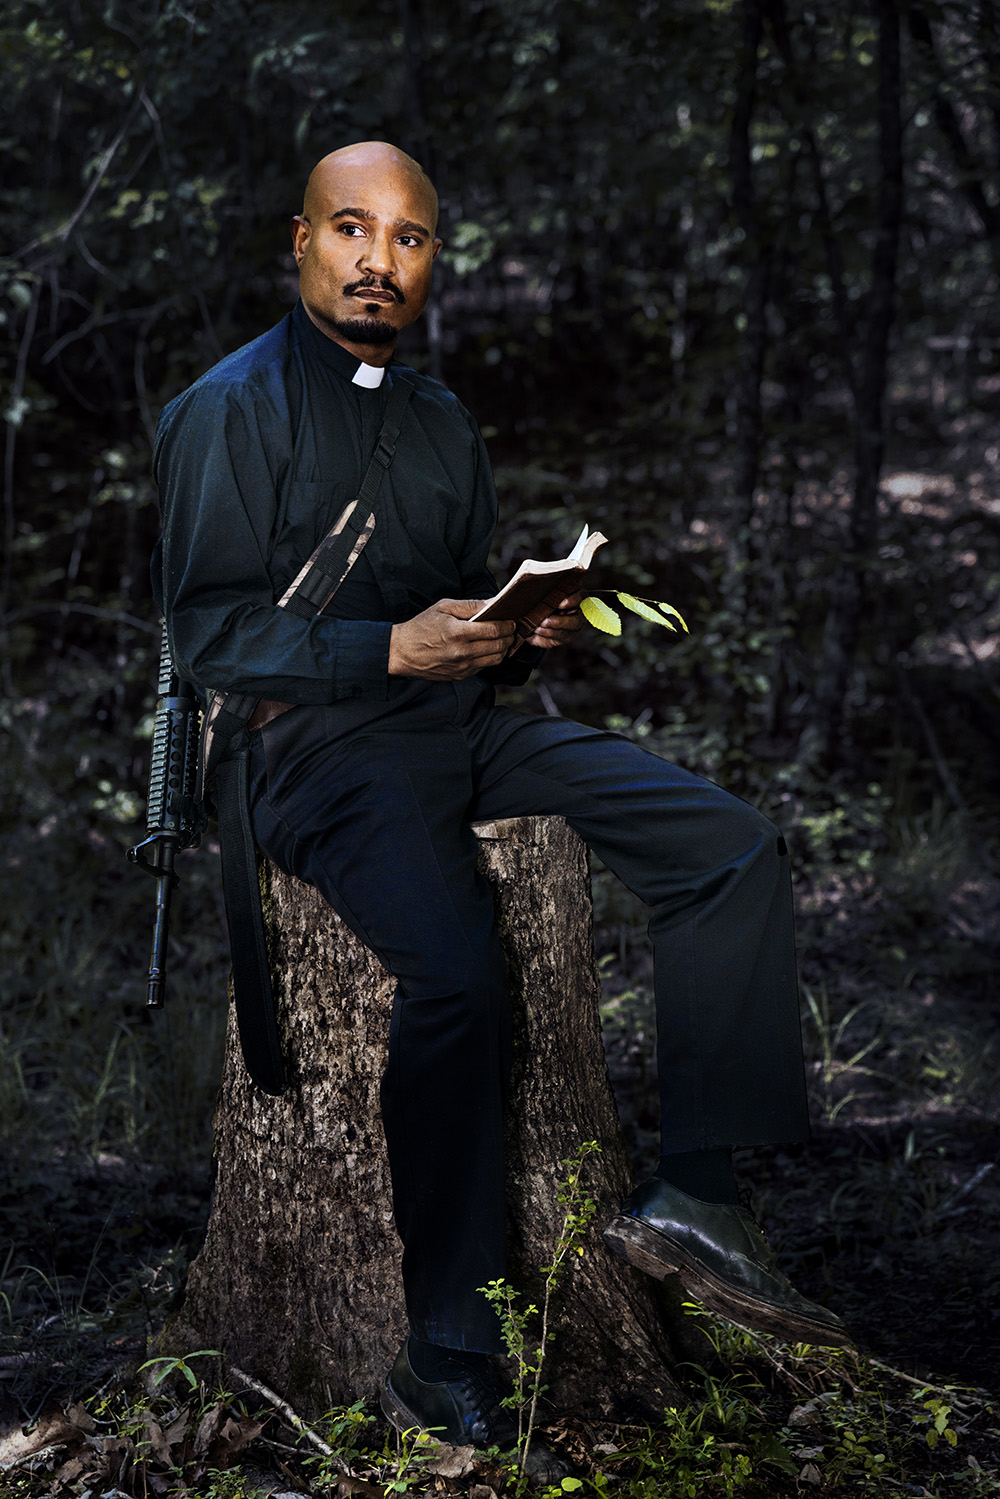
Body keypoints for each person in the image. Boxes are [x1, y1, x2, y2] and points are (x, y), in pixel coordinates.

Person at [153, 140, 849, 1479]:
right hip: (316, 756)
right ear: (300, 239)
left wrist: (510, 631)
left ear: (431, 263)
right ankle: (447, 1350)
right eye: (352, 231)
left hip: (460, 729)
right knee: (457, 970)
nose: (378, 264)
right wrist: (388, 653)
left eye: (409, 240)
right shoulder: (225, 410)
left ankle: (701, 1190)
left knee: (728, 847)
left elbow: (449, 600)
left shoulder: (438, 421)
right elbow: (212, 638)